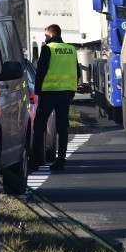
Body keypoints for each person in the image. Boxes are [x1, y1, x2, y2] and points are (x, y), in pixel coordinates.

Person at [32, 24, 80, 171]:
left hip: (49, 93)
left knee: (39, 126)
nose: (45, 38)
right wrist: (72, 92)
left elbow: (40, 71)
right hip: (65, 95)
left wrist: (37, 90)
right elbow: (77, 72)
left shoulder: (48, 49)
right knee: (62, 128)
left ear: (51, 35)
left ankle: (35, 160)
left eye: (46, 35)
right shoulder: (71, 49)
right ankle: (60, 162)